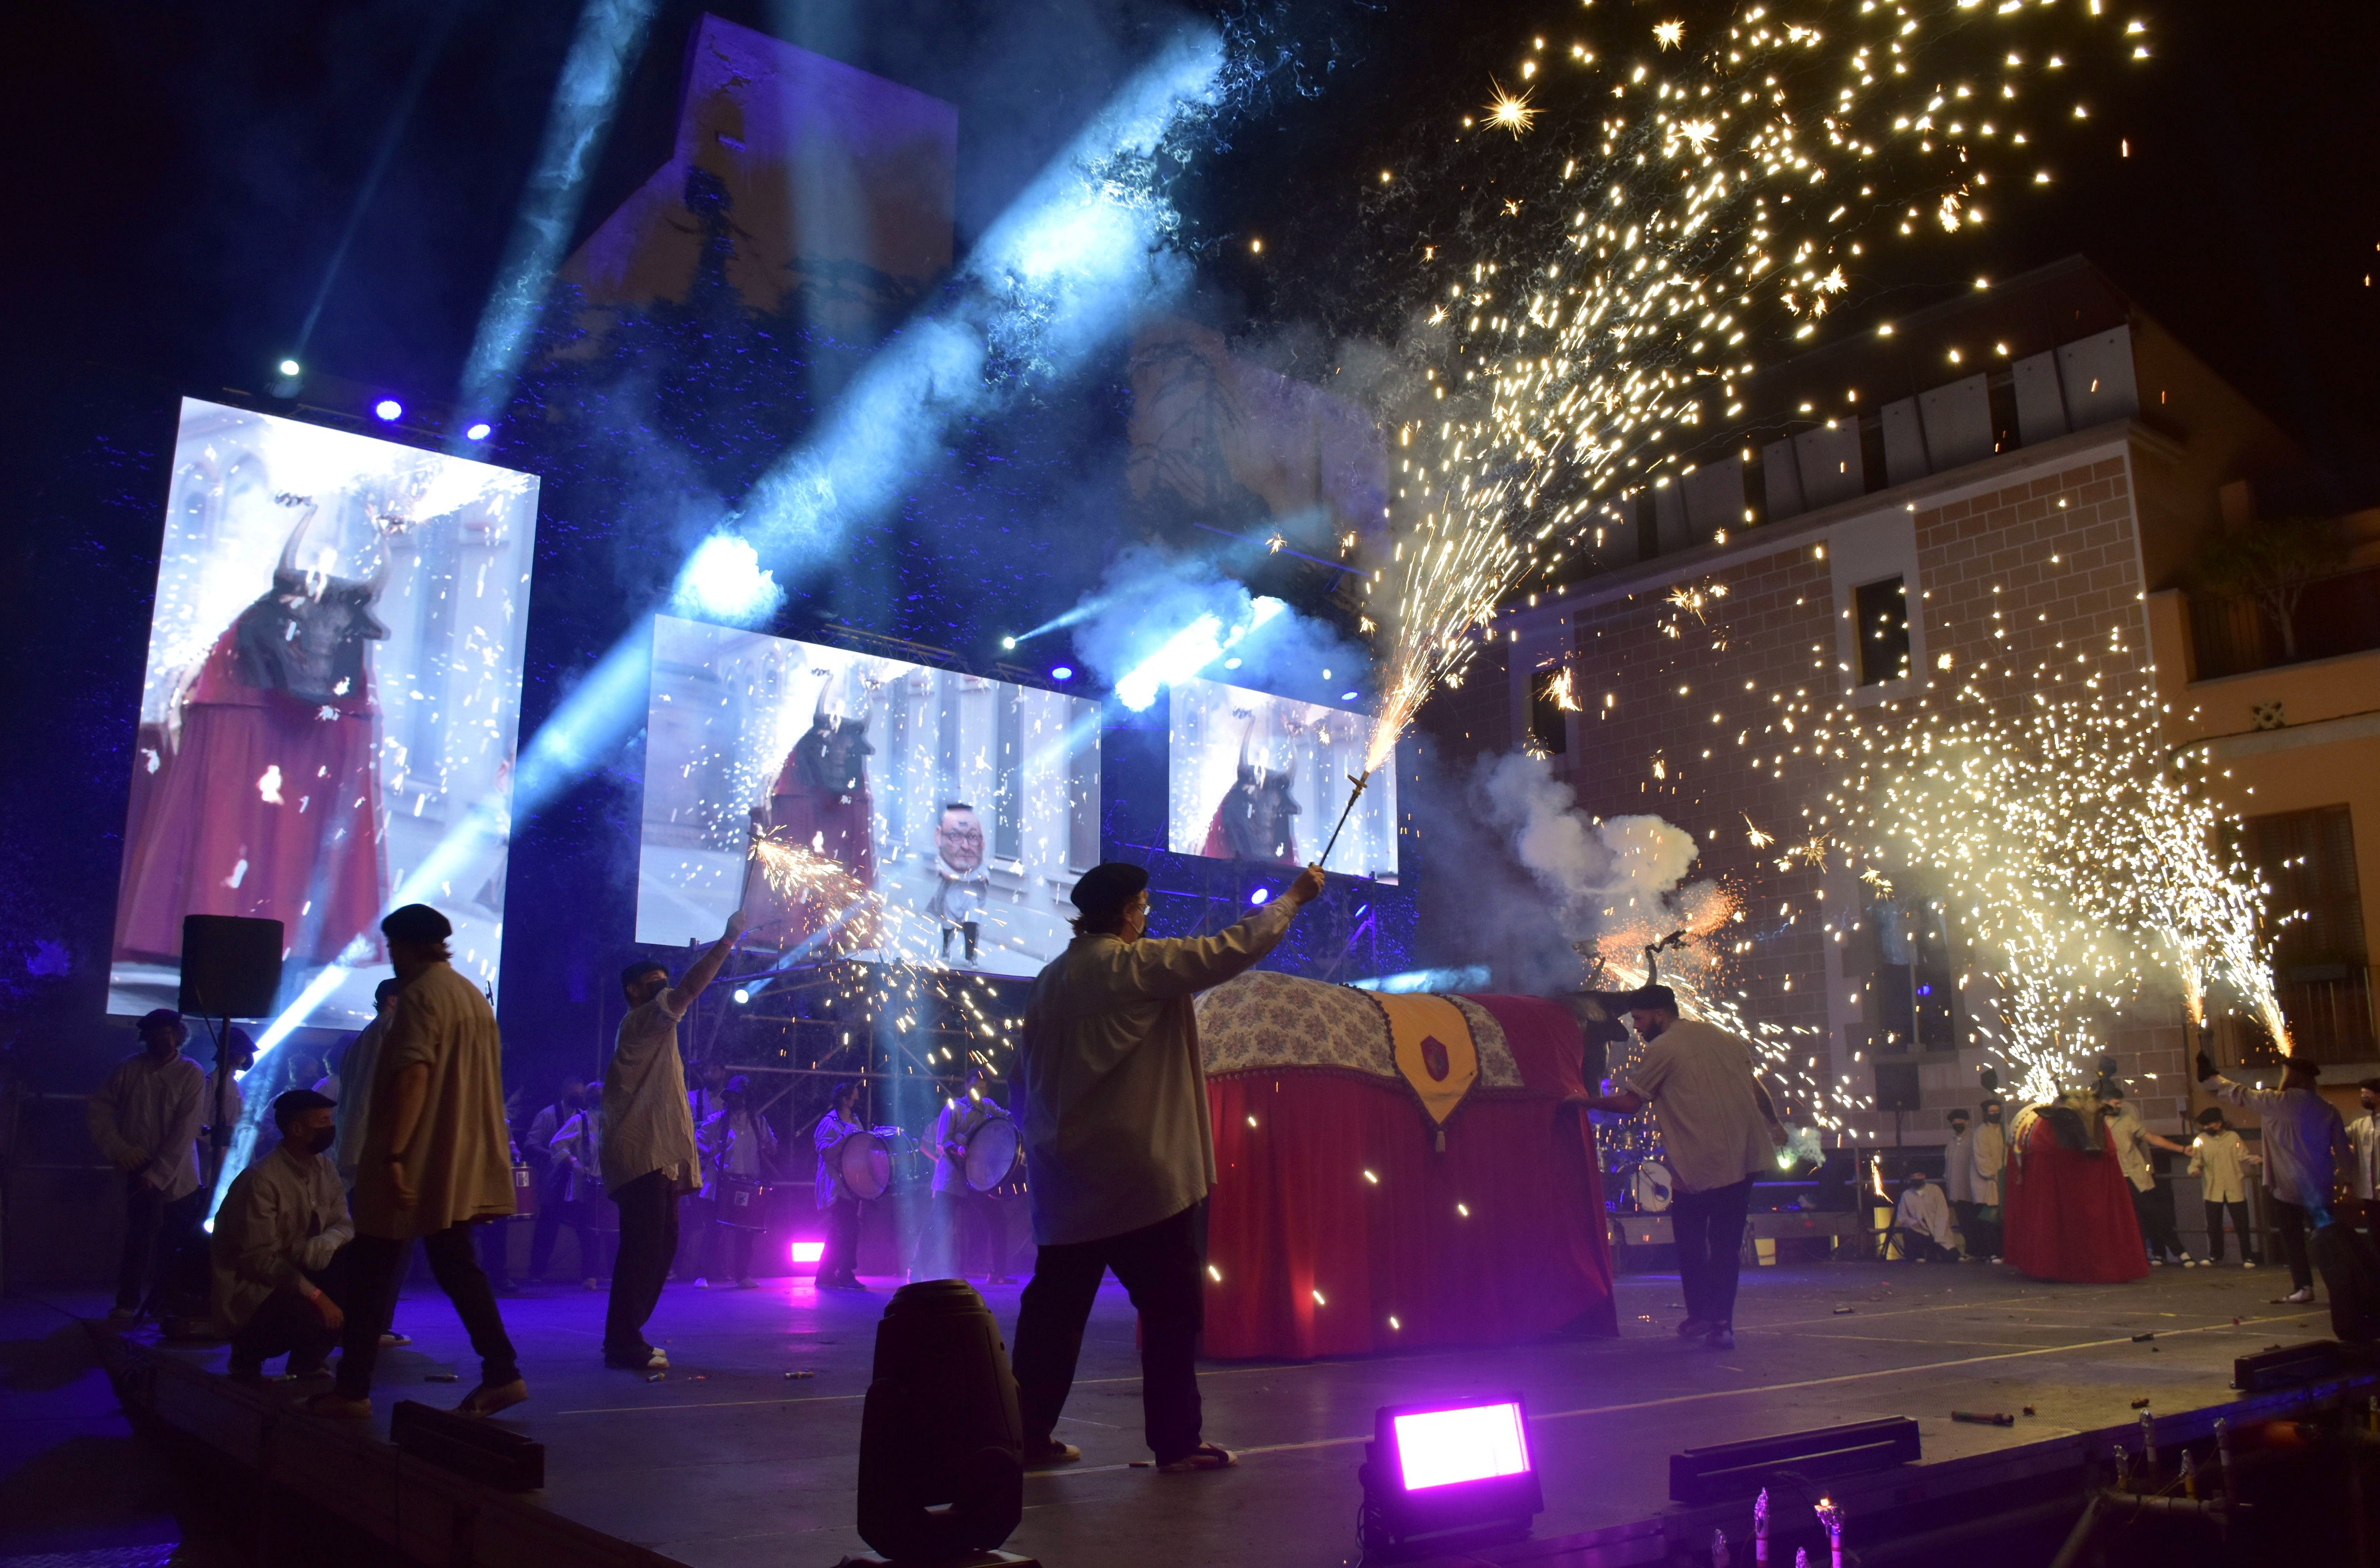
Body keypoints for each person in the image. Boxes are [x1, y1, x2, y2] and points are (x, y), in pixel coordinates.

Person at [1012, 857, 1326, 1474]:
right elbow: (1229, 948)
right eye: (1144, 908)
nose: (1146, 919)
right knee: (1170, 1310)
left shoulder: (1047, 983)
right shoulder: (1133, 966)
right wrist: (1293, 896)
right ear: (1128, 913)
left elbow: (1022, 1083)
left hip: (1067, 1183)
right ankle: (1176, 1442)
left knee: (1052, 1316)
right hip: (1138, 1181)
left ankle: (1024, 1435)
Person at [309, 904, 522, 1420]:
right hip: (455, 1160)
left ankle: (354, 1390)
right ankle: (502, 1373)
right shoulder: (470, 996)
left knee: (373, 1273)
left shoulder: (421, 997)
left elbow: (413, 1077)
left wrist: (396, 1154)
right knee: (453, 1267)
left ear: (405, 946)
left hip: (418, 1161)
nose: (391, 956)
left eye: (393, 946)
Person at [1577, 986, 1786, 1351]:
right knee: (1724, 1243)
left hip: (1704, 1162)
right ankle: (1717, 1322)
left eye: (1640, 1020)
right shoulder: (1722, 1036)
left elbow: (1630, 1103)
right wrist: (1774, 1123)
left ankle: (1707, 1317)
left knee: (1693, 1240)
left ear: (1659, 1014)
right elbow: (1755, 1089)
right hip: (1747, 1155)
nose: (1636, 1029)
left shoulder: (1663, 1047)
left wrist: (1577, 1102)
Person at [602, 910, 745, 1371]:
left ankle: (626, 1337)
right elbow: (687, 992)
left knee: (659, 1247)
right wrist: (727, 941)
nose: (664, 988)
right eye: (654, 981)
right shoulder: (643, 1022)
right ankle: (623, 1342)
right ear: (634, 991)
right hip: (640, 1154)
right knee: (645, 1249)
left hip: (655, 1156)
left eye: (665, 980)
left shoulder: (656, 1031)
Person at [211, 1089, 352, 1379]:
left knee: (359, 1269)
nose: (330, 1127)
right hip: (256, 1288)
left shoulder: (325, 1169)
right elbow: (258, 1259)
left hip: (299, 1268)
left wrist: (330, 1239)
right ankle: (248, 1351)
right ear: (297, 1129)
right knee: (306, 1315)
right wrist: (317, 1295)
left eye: (330, 1120)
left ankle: (308, 1361)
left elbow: (344, 1222)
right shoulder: (261, 1179)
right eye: (322, 1121)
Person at [2200, 1051, 2353, 1306]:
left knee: (2293, 1240)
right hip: (2320, 1188)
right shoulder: (2327, 1108)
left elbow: (2240, 1093)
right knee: (2327, 1240)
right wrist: (2347, 1181)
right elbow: (2344, 1152)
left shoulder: (2276, 1101)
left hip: (2287, 1187)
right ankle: (2341, 1288)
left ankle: (2303, 1287)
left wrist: (2212, 1077)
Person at [88, 1009, 207, 1322]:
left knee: (172, 1242)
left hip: (178, 1173)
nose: (162, 1040)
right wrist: (118, 1149)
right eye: (155, 1034)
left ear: (179, 1035)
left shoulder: (191, 1073)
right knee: (137, 1238)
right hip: (136, 1164)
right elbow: (98, 1108)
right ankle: (127, 1302)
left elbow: (184, 1130)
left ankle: (164, 1302)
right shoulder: (130, 1068)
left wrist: (158, 1173)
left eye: (168, 1033)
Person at [924, 1067, 1011, 1282]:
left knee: (997, 1219)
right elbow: (943, 1141)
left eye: (982, 1089)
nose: (978, 1092)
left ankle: (998, 1273)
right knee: (938, 1223)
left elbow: (1007, 1118)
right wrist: (958, 1148)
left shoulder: (988, 1106)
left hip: (976, 1178)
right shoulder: (954, 1108)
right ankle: (918, 1270)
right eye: (974, 1088)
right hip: (952, 1177)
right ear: (966, 1086)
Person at [697, 1077, 778, 1288]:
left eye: (742, 1097)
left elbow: (772, 1145)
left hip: (748, 1184)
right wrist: (710, 1153)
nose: (739, 1101)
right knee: (715, 1232)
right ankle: (702, 1275)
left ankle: (742, 1276)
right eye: (736, 1096)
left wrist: (768, 1148)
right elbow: (697, 1141)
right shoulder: (718, 1120)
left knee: (746, 1233)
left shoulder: (759, 1122)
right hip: (721, 1183)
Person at [2104, 1086, 2197, 1266]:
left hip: (2133, 1174)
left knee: (2153, 1212)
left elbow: (2152, 1138)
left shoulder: (2127, 1120)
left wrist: (2182, 1149)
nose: (2120, 1106)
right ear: (2104, 1103)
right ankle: (2140, 1255)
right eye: (2116, 1103)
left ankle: (2177, 1251)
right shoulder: (2096, 1124)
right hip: (2112, 1175)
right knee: (2128, 1218)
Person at [331, 979, 404, 1185]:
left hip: (354, 1142)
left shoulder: (359, 1039)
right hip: (377, 1143)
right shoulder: (393, 1027)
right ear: (393, 1000)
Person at [525, 1077, 591, 1283]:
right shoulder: (548, 1114)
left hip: (577, 1182)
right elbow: (531, 1144)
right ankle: (536, 1272)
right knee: (547, 1226)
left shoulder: (584, 1118)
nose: (579, 1097)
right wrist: (556, 1157)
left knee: (585, 1227)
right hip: (554, 1180)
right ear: (565, 1092)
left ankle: (589, 1274)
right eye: (575, 1094)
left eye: (582, 1094)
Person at [813, 1081, 872, 1291]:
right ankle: (845, 1274)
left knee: (840, 1231)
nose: (856, 1100)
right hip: (836, 1184)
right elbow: (826, 1153)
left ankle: (826, 1274)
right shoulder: (829, 1123)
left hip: (851, 1184)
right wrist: (845, 1136)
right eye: (853, 1097)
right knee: (847, 1229)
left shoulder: (855, 1121)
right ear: (845, 1099)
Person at [547, 1092, 610, 1287]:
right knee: (589, 1231)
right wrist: (573, 1161)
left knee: (612, 1230)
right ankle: (590, 1275)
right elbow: (557, 1144)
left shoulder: (615, 1121)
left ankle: (610, 1274)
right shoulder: (580, 1120)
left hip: (610, 1183)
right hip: (587, 1183)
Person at [2189, 1106, 2262, 1267]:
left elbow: (2242, 1155)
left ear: (2219, 1123)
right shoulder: (2201, 1139)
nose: (2207, 1128)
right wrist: (2194, 1169)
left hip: (2233, 1186)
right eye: (2205, 1125)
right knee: (2214, 1225)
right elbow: (2196, 1160)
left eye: (2210, 1125)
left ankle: (2247, 1256)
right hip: (2213, 1188)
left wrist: (2254, 1159)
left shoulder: (2233, 1137)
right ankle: (2215, 1255)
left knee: (2242, 1224)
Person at [928, 803, 992, 964]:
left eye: (973, 837)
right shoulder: (942, 861)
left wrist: (984, 877)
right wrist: (952, 876)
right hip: (952, 896)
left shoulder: (978, 863)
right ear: (939, 837)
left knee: (972, 925)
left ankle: (971, 957)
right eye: (955, 836)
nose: (965, 846)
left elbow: (985, 873)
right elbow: (942, 872)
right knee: (949, 927)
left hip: (971, 897)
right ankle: (946, 948)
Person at [1968, 1097, 2008, 1261]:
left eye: (1997, 1111)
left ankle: (2003, 1251)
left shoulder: (2006, 1129)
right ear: (1986, 1114)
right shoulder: (1981, 1132)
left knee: (2002, 1219)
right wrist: (1996, 1175)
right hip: (1988, 1183)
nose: (1995, 1114)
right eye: (1992, 1112)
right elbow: (1982, 1159)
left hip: (2003, 1181)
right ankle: (1991, 1252)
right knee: (1989, 1220)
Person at [1893, 1171, 1958, 1262]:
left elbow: (1943, 1212)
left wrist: (1938, 1231)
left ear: (1924, 1176)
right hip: (1919, 1231)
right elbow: (1902, 1215)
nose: (1916, 1178)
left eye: (1918, 1176)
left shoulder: (1935, 1190)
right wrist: (1913, 1223)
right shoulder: (1906, 1195)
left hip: (1938, 1232)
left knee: (1951, 1257)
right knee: (1911, 1237)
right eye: (1913, 1176)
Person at [1943, 1109, 1978, 1257]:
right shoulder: (1951, 1142)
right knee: (1964, 1223)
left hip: (1971, 1190)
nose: (1958, 1124)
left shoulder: (1973, 1139)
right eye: (1955, 1121)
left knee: (1974, 1222)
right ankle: (1971, 1251)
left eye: (1961, 1121)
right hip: (1956, 1192)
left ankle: (1979, 1251)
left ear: (1967, 1122)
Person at [2348, 1079, 2380, 1233]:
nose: (2363, 1097)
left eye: (2366, 1093)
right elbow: (2338, 1136)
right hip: (2370, 1192)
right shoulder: (2360, 1125)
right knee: (2375, 1231)